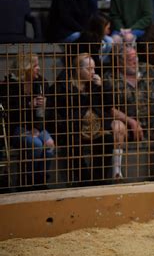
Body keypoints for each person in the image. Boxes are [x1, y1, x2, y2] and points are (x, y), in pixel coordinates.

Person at [104, 46, 154, 177]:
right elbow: (108, 107)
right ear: (118, 61)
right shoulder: (109, 78)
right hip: (127, 125)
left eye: (136, 57)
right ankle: (117, 173)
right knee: (117, 127)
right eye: (130, 59)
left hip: (152, 123)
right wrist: (131, 122)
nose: (135, 62)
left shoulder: (148, 69)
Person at [48, 53, 127, 182]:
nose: (93, 72)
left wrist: (101, 87)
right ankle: (83, 179)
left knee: (107, 139)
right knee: (72, 141)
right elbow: (60, 111)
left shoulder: (94, 85)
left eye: (94, 68)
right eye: (89, 69)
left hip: (95, 128)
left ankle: (98, 179)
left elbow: (108, 105)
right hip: (73, 128)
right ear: (78, 69)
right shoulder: (63, 85)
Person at [2, 54, 55, 185]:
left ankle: (41, 181)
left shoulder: (41, 82)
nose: (39, 68)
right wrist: (28, 105)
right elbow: (8, 114)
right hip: (16, 128)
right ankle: (27, 181)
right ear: (25, 68)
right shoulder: (9, 85)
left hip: (36, 126)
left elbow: (44, 114)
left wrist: (38, 126)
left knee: (49, 144)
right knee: (36, 144)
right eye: (35, 65)